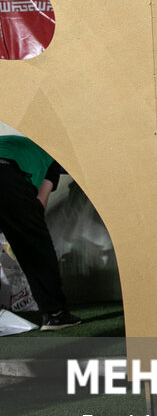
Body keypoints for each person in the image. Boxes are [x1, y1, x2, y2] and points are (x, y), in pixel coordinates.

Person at [0, 136, 79, 330]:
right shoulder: (52, 159)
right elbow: (39, 203)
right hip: (5, 175)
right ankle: (55, 314)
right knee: (35, 246)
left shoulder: (18, 143)